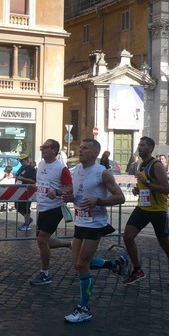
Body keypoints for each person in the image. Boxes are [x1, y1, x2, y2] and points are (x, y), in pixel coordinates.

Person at [61, 138, 127, 323]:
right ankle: (114, 265)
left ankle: (84, 308)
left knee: (82, 264)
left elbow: (120, 197)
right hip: (80, 221)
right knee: (77, 264)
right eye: (80, 147)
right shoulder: (77, 171)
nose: (80, 150)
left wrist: (98, 201)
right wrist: (69, 197)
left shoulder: (102, 172)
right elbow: (78, 195)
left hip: (95, 224)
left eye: (85, 148)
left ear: (95, 153)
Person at [123, 137, 169, 286]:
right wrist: (139, 189)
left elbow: (165, 189)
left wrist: (146, 183)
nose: (139, 147)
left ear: (150, 148)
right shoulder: (142, 165)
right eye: (139, 145)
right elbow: (145, 186)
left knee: (164, 243)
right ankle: (137, 270)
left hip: (158, 210)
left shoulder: (156, 165)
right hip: (142, 208)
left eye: (143, 145)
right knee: (128, 236)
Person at [29, 139, 73, 286]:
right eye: (41, 147)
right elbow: (42, 184)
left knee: (42, 240)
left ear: (54, 150)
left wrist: (59, 192)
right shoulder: (40, 165)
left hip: (55, 208)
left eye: (44, 147)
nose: (41, 149)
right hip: (42, 208)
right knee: (45, 241)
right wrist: (33, 187)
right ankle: (70, 244)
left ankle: (45, 274)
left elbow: (70, 187)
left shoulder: (61, 168)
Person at [15, 153, 37, 231]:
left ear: (27, 160)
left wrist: (23, 179)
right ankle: (28, 219)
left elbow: (34, 181)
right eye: (20, 161)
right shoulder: (21, 168)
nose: (21, 162)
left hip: (27, 191)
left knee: (25, 207)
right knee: (17, 206)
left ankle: (27, 223)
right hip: (19, 190)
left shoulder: (31, 169)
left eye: (23, 161)